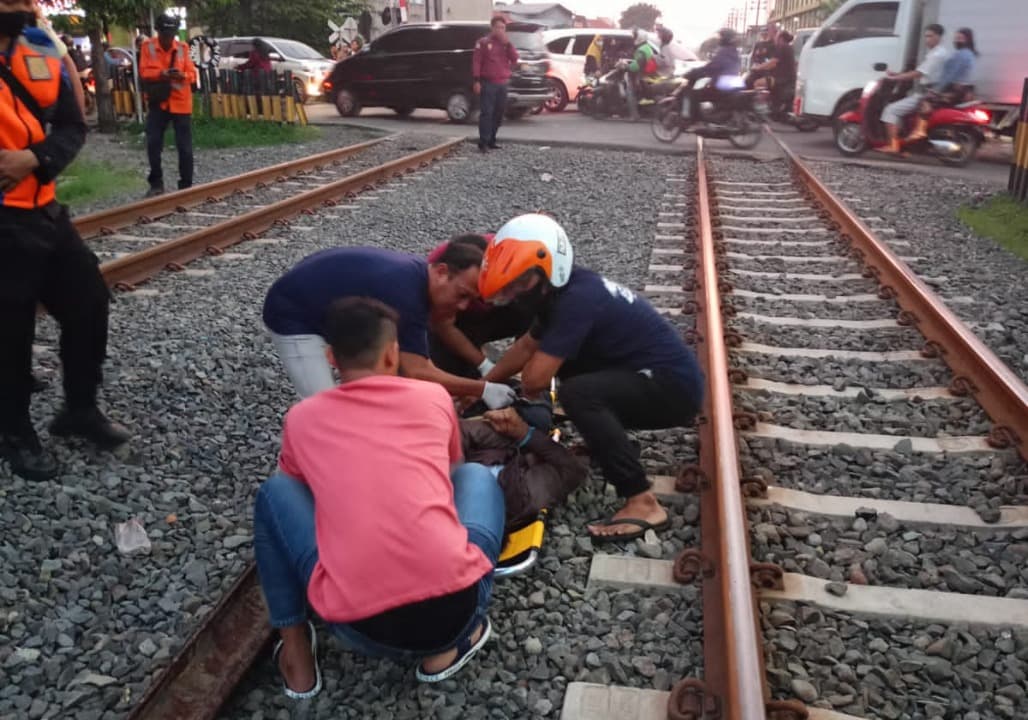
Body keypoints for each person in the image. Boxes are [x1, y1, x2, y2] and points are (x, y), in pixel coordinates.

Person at [253, 297, 505, 697]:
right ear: (392, 354)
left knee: (275, 491)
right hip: (456, 611)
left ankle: (297, 659)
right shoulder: (433, 397)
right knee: (475, 475)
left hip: (357, 630)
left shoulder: (301, 418)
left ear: (332, 357)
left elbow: (301, 491)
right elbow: (452, 472)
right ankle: (451, 646)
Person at [478, 215, 705, 542]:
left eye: (520, 283)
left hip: (673, 390)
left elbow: (534, 382)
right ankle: (607, 444)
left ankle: (642, 500)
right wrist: (482, 386)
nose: (515, 294)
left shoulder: (576, 301)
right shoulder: (564, 290)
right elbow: (526, 345)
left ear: (549, 267)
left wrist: (516, 395)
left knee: (578, 393)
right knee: (573, 370)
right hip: (651, 378)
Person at [0, 0, 130, 481]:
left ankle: (78, 410)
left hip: (45, 211)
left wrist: (33, 159)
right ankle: (14, 431)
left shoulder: (40, 48)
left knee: (89, 303)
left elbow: (73, 126)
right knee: (10, 333)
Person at [262, 244, 517, 409]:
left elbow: (411, 368)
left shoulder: (417, 279)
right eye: (462, 295)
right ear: (441, 272)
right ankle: (288, 482)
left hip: (326, 310)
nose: (463, 307)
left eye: (470, 300)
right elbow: (418, 371)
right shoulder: (405, 292)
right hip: (294, 315)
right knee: (324, 409)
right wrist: (483, 388)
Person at [427, 234, 539, 380]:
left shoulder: (508, 253)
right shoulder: (441, 268)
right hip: (459, 321)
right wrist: (483, 365)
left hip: (501, 313)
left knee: (533, 310)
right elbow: (442, 325)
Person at [461, 401, 587, 530]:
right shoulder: (497, 440)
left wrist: (526, 434)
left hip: (479, 519)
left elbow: (574, 469)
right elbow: (459, 433)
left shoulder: (535, 484)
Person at [139, 13, 197, 196]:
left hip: (181, 102)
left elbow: (192, 74)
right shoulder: (148, 46)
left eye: (170, 34)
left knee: (185, 147)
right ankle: (156, 183)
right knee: (153, 143)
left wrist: (183, 76)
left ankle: (186, 184)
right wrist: (162, 74)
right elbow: (144, 72)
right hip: (159, 102)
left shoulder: (182, 47)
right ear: (158, 31)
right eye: (164, 34)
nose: (167, 38)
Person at [878, 23, 949, 154]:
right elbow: (918, 71)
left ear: (938, 37)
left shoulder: (936, 55)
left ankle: (893, 146)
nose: (927, 39)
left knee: (890, 110)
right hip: (929, 91)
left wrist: (895, 78)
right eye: (926, 37)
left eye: (930, 36)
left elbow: (918, 73)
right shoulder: (940, 52)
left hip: (926, 93)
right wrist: (897, 74)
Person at [472, 16, 518, 152]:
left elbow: (515, 58)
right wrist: (476, 80)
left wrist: (508, 44)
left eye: (503, 28)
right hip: (488, 83)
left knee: (499, 113)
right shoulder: (483, 42)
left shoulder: (506, 44)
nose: (500, 30)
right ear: (492, 28)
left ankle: (492, 139)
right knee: (487, 113)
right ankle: (483, 142)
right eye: (498, 27)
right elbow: (477, 62)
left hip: (502, 83)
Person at [916, 27, 977, 127]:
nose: (956, 40)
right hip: (964, 90)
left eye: (960, 38)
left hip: (955, 90)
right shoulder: (970, 54)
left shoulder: (961, 54)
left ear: (967, 39)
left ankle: (919, 129)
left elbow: (949, 75)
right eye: (956, 38)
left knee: (924, 100)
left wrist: (936, 90)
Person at [683, 28, 742, 125]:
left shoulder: (724, 52)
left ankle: (693, 118)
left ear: (725, 39)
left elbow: (711, 68)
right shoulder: (734, 52)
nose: (719, 39)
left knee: (694, 93)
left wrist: (694, 73)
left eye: (721, 37)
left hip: (722, 85)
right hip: (731, 84)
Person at [751, 30, 796, 119]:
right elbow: (773, 64)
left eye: (777, 36)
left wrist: (759, 67)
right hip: (785, 77)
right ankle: (772, 105)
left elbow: (773, 62)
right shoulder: (787, 47)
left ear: (781, 38)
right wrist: (763, 66)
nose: (775, 38)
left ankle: (760, 109)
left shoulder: (782, 47)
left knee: (758, 83)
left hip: (781, 78)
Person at [620, 27, 658, 121]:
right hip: (648, 74)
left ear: (639, 38)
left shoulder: (641, 50)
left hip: (641, 76)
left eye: (635, 36)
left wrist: (627, 67)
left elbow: (637, 65)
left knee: (630, 91)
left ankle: (634, 115)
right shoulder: (647, 47)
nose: (634, 38)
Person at [745, 25, 776, 89]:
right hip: (756, 70)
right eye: (762, 33)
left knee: (757, 83)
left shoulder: (772, 45)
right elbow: (753, 57)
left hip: (766, 72)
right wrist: (753, 65)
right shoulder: (758, 44)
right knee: (747, 81)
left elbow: (772, 61)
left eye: (766, 33)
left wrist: (762, 66)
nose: (764, 35)